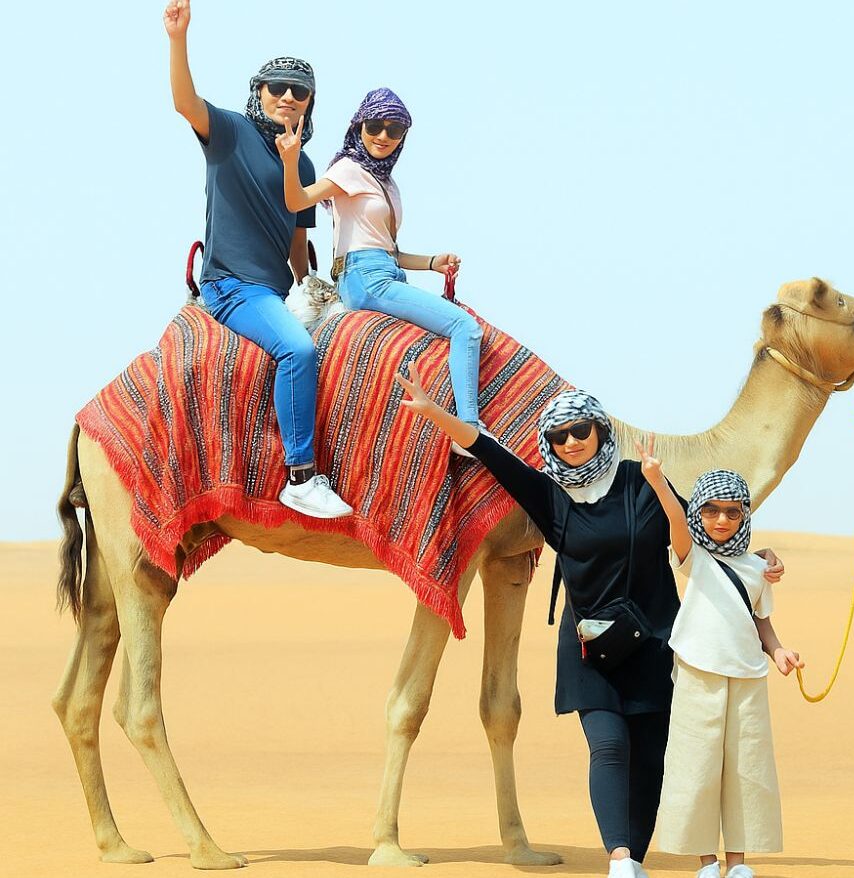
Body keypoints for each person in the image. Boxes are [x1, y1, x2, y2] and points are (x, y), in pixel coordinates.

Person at [394, 365, 785, 878]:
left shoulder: (639, 481)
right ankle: (619, 858)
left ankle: (636, 859)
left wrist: (760, 556)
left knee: (650, 756)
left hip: (656, 644)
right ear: (549, 444)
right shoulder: (550, 497)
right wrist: (434, 413)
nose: (572, 441)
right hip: (590, 647)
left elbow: (705, 533)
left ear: (600, 430)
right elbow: (491, 453)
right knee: (608, 743)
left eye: (582, 430)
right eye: (559, 435)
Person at [163, 0, 351, 518]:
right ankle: (301, 476)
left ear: (309, 102)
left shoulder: (304, 161)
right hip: (232, 286)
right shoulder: (228, 131)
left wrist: (311, 287)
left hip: (271, 290)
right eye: (278, 88)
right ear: (260, 93)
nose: (288, 97)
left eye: (300, 91)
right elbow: (185, 102)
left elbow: (296, 240)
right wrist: (178, 39)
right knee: (298, 351)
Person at [276, 89, 488, 455]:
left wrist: (432, 262)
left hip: (382, 271)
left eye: (394, 130)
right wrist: (291, 160)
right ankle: (468, 429)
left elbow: (388, 250)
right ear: (359, 126)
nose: (383, 136)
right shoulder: (349, 169)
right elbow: (296, 201)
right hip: (365, 278)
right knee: (465, 328)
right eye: (375, 126)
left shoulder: (386, 183)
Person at [636, 457, 804, 878]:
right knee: (698, 765)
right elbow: (675, 519)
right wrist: (656, 480)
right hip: (697, 672)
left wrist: (779, 651)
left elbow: (760, 618)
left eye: (732, 511)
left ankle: (738, 864)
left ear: (745, 514)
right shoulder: (693, 557)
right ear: (698, 513)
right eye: (709, 510)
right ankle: (706, 862)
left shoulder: (757, 567)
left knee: (747, 768)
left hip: (747, 674)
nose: (721, 519)